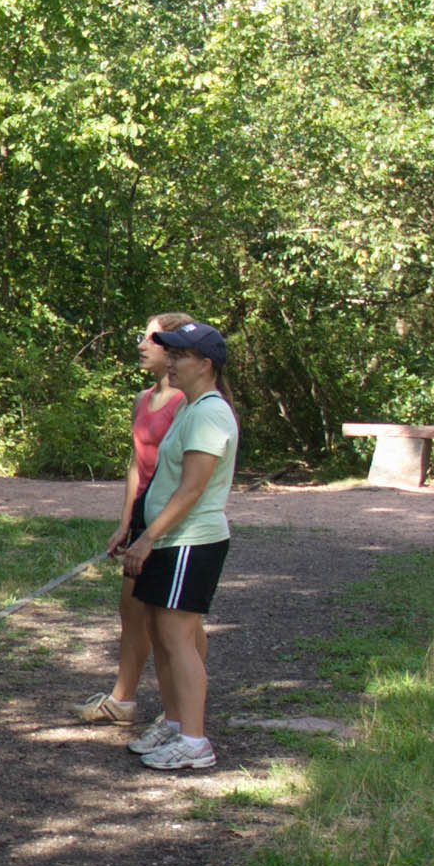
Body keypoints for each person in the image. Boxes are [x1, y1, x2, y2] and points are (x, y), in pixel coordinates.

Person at [117, 323, 240, 772]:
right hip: (167, 539)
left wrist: (147, 539)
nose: (169, 361)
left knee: (177, 640)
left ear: (205, 364)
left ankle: (194, 741)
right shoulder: (190, 408)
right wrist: (136, 529)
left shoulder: (209, 413)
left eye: (180, 355)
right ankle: (173, 723)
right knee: (162, 636)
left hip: (190, 541)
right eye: (168, 353)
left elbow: (191, 491)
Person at [78, 312, 195, 729]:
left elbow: (190, 472)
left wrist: (157, 524)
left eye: (152, 339)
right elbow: (135, 464)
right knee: (132, 608)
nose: (142, 346)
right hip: (145, 517)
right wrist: (126, 521)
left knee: (178, 619)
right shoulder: (143, 399)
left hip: (172, 520)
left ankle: (183, 707)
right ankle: (124, 700)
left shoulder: (189, 403)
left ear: (177, 350)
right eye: (142, 337)